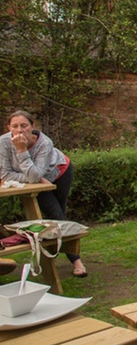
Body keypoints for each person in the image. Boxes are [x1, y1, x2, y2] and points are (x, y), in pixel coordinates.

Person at [0, 110, 87, 277]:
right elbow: (6, 174)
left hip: (59, 173)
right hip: (39, 182)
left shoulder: (44, 143)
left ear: (32, 126)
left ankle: (74, 259)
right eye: (15, 126)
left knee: (58, 214)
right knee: (55, 216)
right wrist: (38, 180)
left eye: (24, 126)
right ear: (8, 127)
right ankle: (61, 257)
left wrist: (21, 150)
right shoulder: (3, 142)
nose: (19, 130)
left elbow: (35, 174)